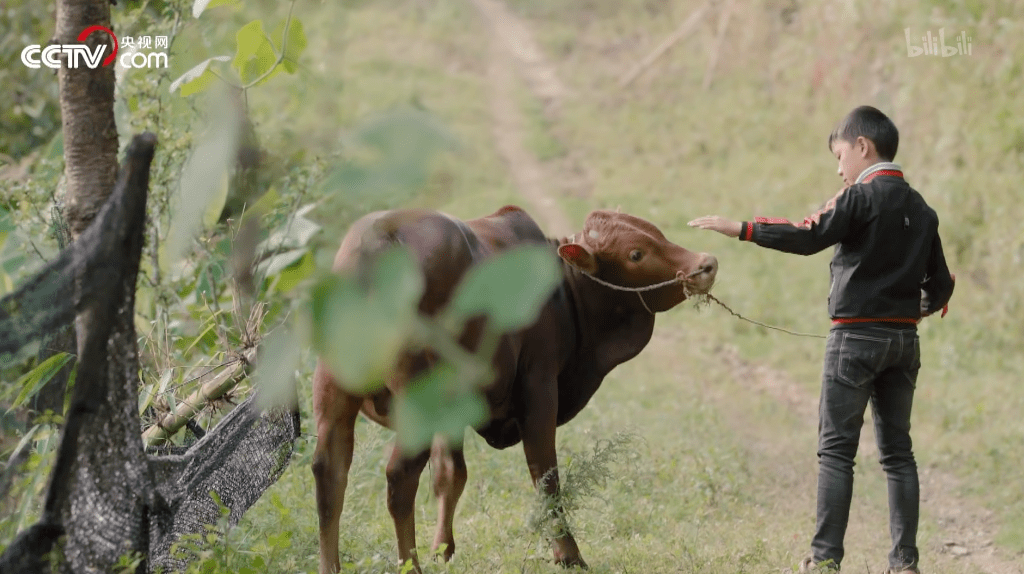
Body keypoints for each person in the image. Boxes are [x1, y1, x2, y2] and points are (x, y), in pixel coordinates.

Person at [687, 105, 955, 573]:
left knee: (836, 453)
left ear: (862, 147)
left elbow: (809, 236)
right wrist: (912, 314)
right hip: (903, 344)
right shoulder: (922, 208)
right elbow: (943, 284)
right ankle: (905, 563)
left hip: (853, 342)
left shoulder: (859, 198)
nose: (838, 167)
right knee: (898, 454)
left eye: (839, 155)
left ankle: (826, 560)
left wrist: (744, 229)